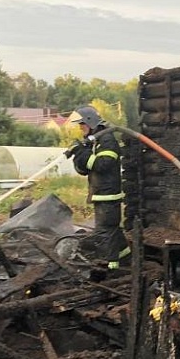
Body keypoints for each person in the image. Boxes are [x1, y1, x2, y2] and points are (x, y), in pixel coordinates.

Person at [67, 106, 129, 270]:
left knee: (104, 232)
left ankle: (110, 267)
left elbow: (103, 165)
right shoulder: (96, 142)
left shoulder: (107, 140)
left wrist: (82, 152)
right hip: (102, 195)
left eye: (82, 124)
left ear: (90, 122)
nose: (80, 128)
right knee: (113, 231)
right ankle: (126, 260)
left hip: (107, 196)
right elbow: (85, 168)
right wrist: (80, 153)